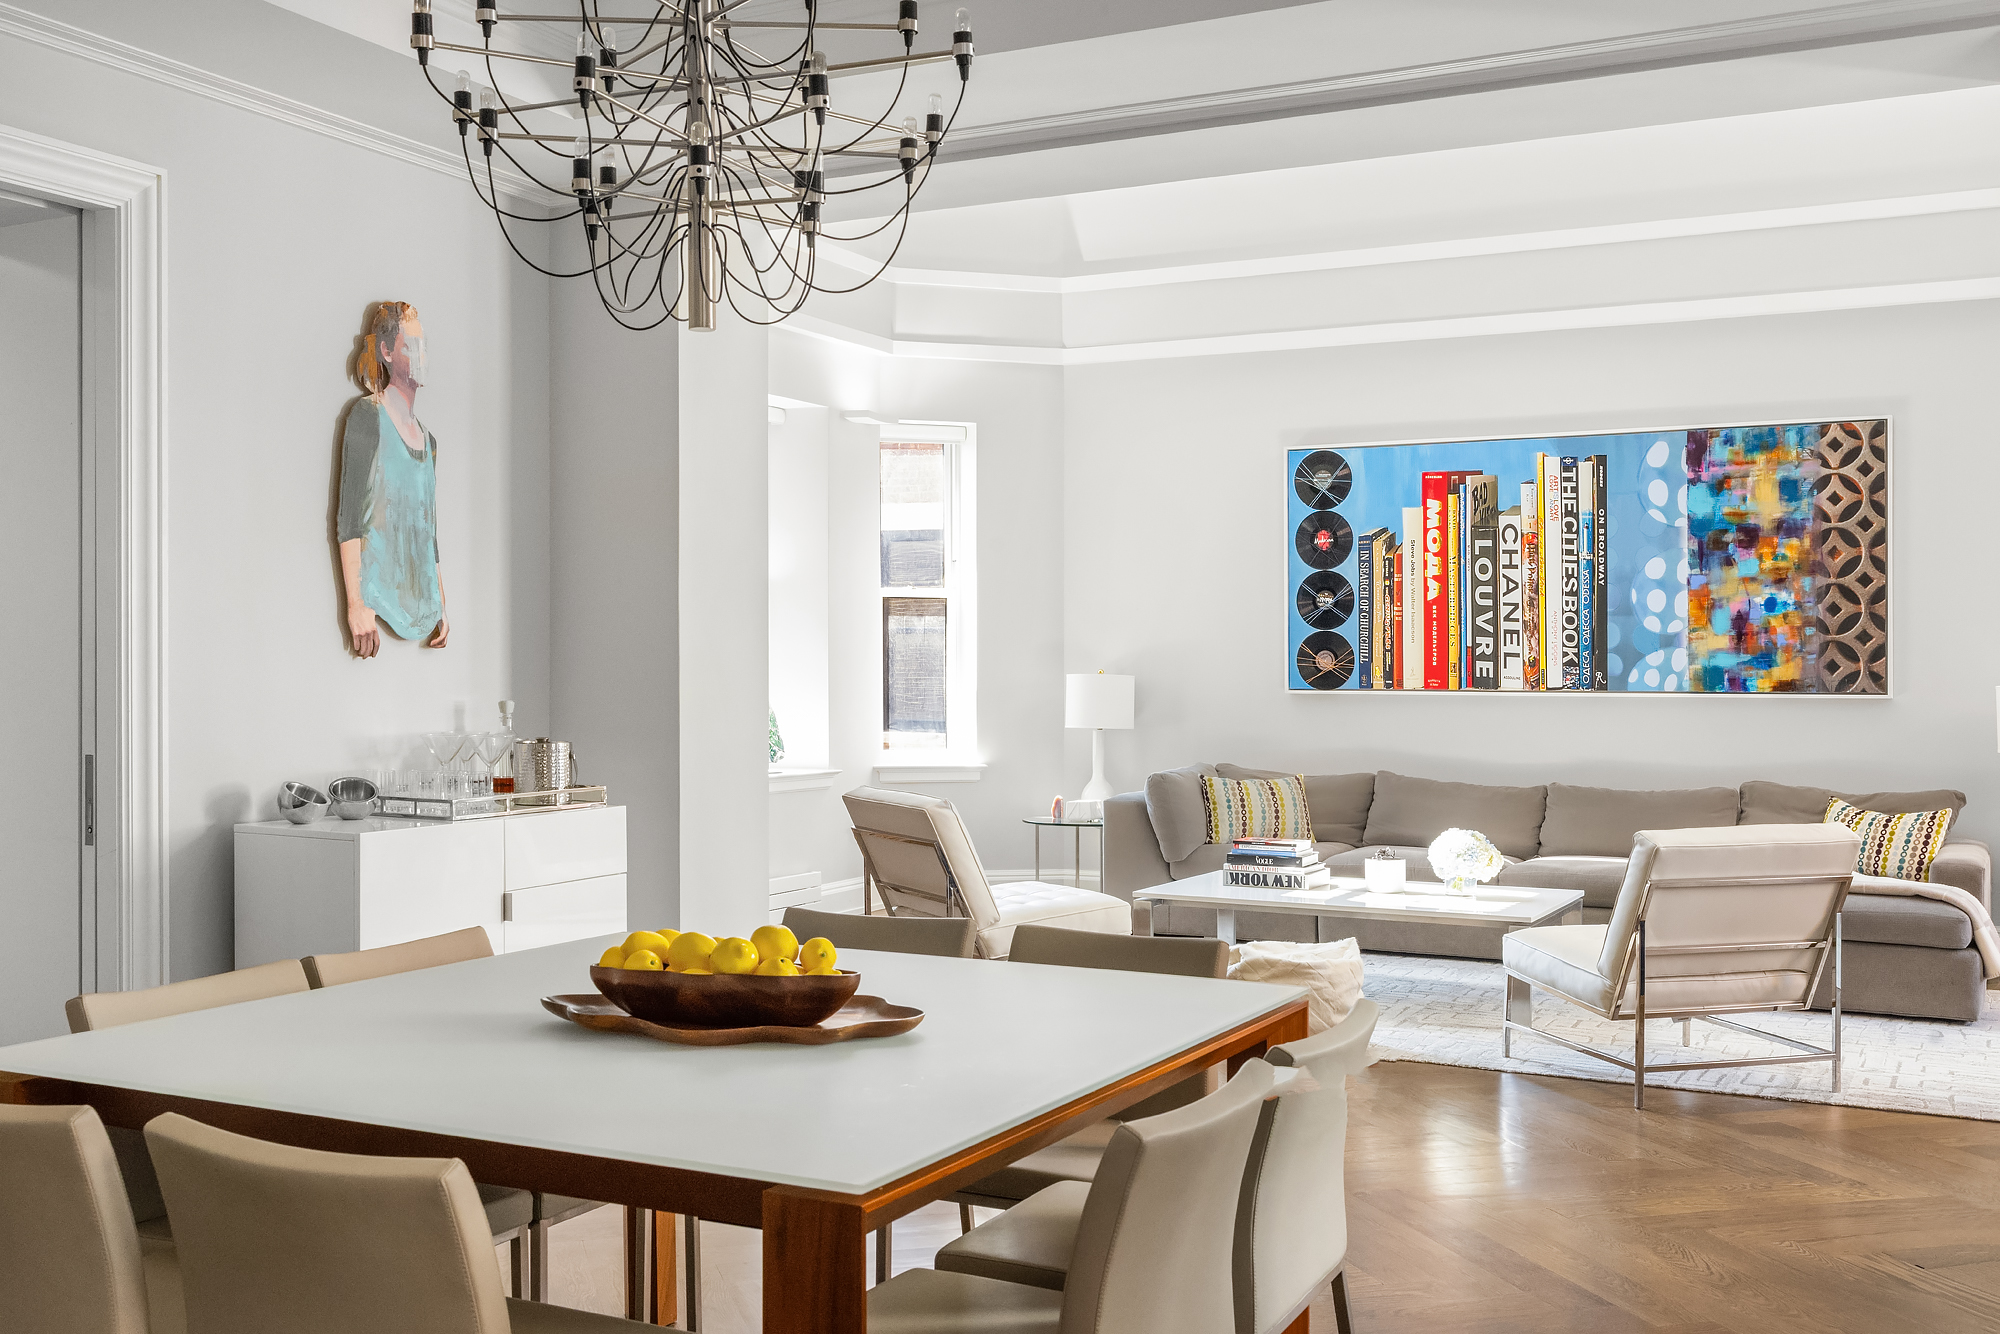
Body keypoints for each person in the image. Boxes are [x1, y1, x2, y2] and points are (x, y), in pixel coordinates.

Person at [337, 301, 449, 657]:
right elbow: (350, 521)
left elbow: (429, 535)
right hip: (378, 606)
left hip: (424, 617)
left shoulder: (429, 442)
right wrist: (356, 604)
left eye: (424, 346)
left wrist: (441, 606)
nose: (422, 355)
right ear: (386, 351)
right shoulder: (368, 417)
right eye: (410, 346)